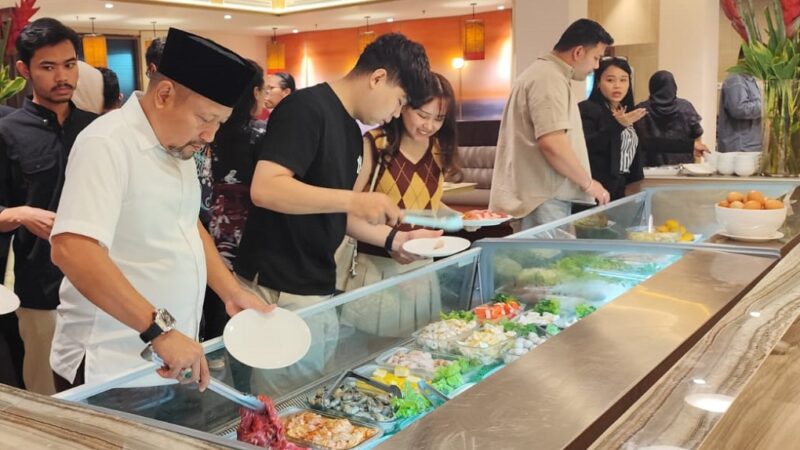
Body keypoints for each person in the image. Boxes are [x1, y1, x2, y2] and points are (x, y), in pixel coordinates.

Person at [49, 27, 271, 392]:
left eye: (219, 122)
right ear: (164, 94)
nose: (210, 135)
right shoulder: (107, 143)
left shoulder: (175, 144)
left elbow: (185, 223)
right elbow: (73, 249)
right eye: (205, 118)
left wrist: (231, 292)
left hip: (167, 359)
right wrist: (159, 330)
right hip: (111, 365)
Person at [234, 33, 439, 395]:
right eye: (400, 101)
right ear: (377, 78)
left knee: (307, 397)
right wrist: (353, 200)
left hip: (317, 285)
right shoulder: (305, 109)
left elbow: (333, 212)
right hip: (281, 286)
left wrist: (396, 239)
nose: (396, 113)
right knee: (282, 403)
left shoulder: (349, 129)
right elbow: (266, 189)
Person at [0, 18, 98, 395]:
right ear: (24, 69)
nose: (62, 76)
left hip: (101, 285)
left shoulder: (98, 129)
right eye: (48, 66)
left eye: (69, 64)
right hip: (40, 289)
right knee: (47, 394)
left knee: (104, 389)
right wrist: (20, 213)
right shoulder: (8, 132)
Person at [338, 72, 461, 337]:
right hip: (377, 266)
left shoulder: (439, 149)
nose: (429, 125)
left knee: (422, 346)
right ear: (403, 105)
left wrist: (462, 217)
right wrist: (392, 239)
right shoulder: (376, 143)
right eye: (422, 115)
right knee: (376, 351)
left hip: (423, 267)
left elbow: (427, 202)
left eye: (439, 118)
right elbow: (349, 206)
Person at [489, 19, 614, 232]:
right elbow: (552, 143)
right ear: (578, 52)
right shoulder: (549, 78)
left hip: (542, 199)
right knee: (546, 254)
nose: (596, 66)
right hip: (543, 200)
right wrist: (589, 183)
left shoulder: (544, 74)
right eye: (596, 58)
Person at [195, 59, 267, 340]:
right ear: (255, 92)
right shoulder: (262, 135)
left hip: (204, 230)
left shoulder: (205, 135)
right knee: (240, 309)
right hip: (245, 237)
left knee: (210, 307)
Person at [577, 56, 646, 207]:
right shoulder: (588, 108)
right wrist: (618, 125)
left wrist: (689, 145)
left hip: (623, 188)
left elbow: (645, 143)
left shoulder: (626, 111)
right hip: (597, 189)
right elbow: (587, 145)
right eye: (610, 80)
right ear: (598, 82)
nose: (617, 86)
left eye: (623, 80)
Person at [634, 70, 709, 166]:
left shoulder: (641, 110)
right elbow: (697, 135)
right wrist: (696, 164)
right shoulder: (686, 107)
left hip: (650, 167)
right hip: (683, 166)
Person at [717, 65, 762, 152]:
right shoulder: (735, 80)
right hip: (740, 149)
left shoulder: (751, 80)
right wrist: (766, 106)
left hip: (751, 146)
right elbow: (739, 109)